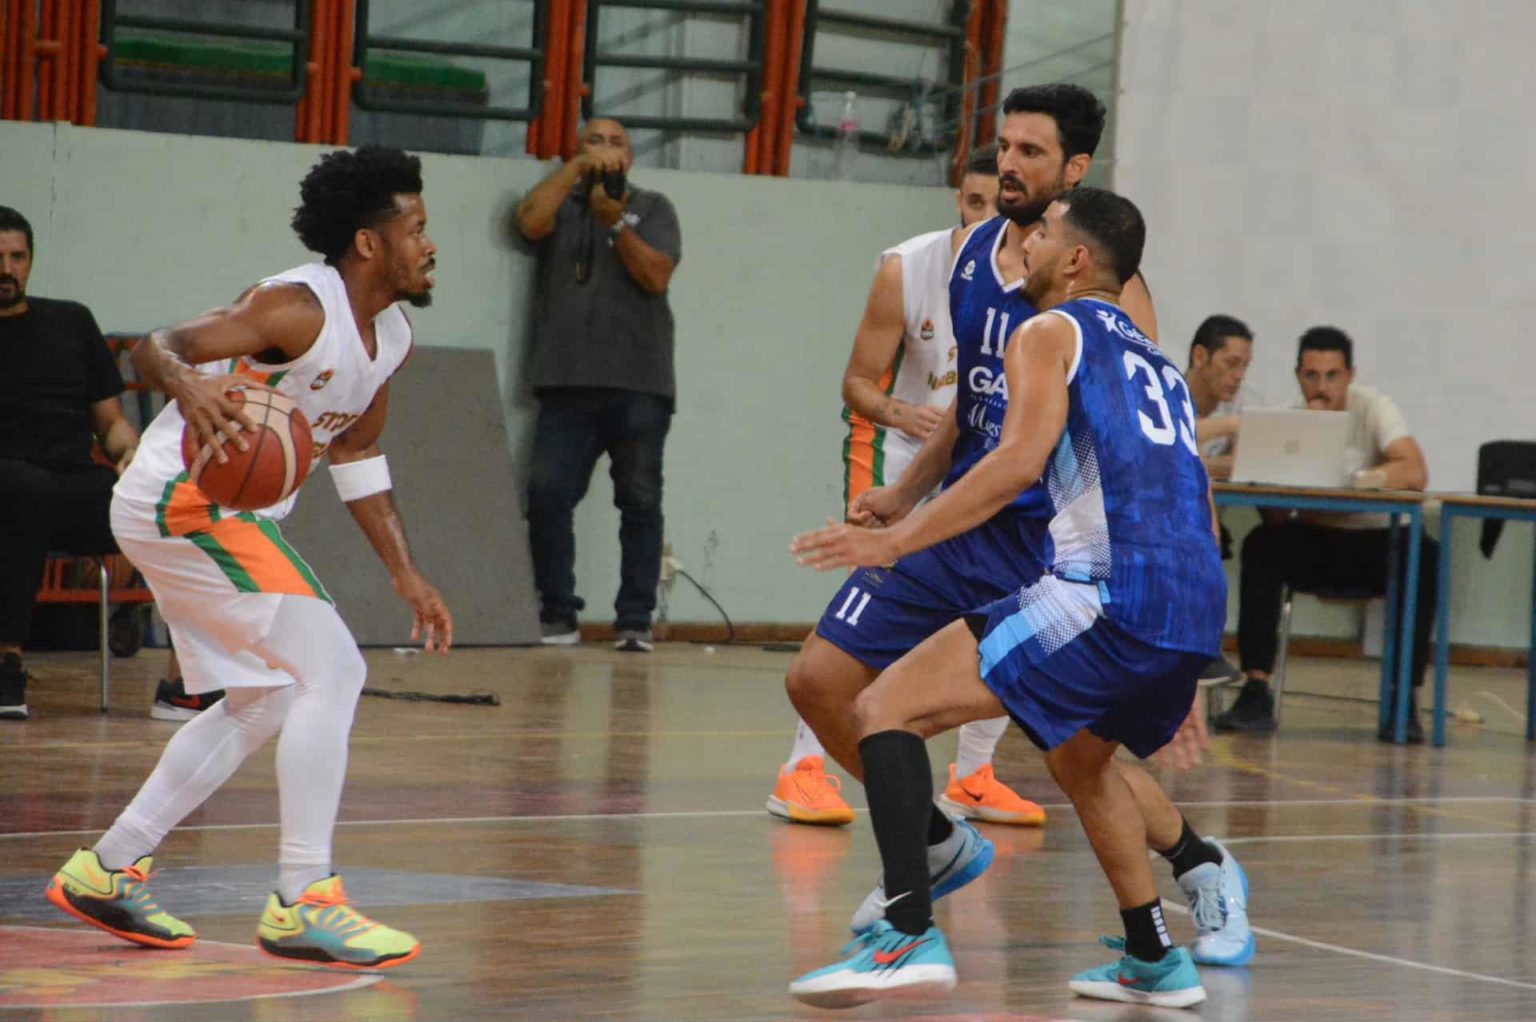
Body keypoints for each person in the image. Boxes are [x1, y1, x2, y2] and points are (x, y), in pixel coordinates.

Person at [783, 83, 1248, 975]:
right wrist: (907, 493)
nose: (1009, 165)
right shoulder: (966, 258)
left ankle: (1193, 863)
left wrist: (1177, 610)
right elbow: (971, 401)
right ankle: (938, 845)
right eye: (1004, 146)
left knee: (1077, 752)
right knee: (820, 682)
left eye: (1032, 152)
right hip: (962, 517)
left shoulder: (1104, 294)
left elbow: (1148, 452)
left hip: (1048, 545)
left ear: (1071, 175)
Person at [44, 146, 453, 969]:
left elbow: (358, 456)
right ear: (370, 244)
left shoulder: (392, 336)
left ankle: (108, 868)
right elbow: (154, 348)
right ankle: (305, 900)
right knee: (333, 671)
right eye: (416, 228)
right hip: (183, 501)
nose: (429, 243)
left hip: (220, 516)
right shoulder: (294, 307)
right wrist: (188, 387)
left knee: (262, 700)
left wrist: (405, 572)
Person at [769, 145, 1044, 830]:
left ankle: (973, 775)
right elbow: (858, 382)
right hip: (905, 460)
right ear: (960, 196)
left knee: (995, 617)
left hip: (990, 466)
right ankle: (807, 764)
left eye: (1000, 201)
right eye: (977, 201)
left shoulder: (1042, 274)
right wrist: (902, 415)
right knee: (854, 627)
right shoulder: (911, 266)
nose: (991, 214)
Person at [0, 207, 206, 721]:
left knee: (177, 504)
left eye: (17, 257)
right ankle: (6, 664)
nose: (7, 267)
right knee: (22, 490)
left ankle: (187, 680)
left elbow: (110, 423)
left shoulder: (71, 321)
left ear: (31, 261)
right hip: (8, 481)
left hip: (70, 481)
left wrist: (131, 456)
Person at [1215, 326, 1436, 741]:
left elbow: (1414, 470)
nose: (1321, 387)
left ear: (1349, 375)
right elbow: (1272, 507)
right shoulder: (1286, 417)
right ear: (1298, 375)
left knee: (1424, 553)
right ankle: (1256, 688)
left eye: (1331, 376)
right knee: (1262, 546)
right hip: (1317, 541)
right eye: (1311, 376)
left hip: (1376, 544)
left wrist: (1362, 479)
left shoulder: (1374, 407)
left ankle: (1404, 698)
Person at [513, 117, 681, 653]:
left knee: (639, 499)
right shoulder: (560, 201)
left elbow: (656, 275)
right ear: (576, 151)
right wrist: (575, 174)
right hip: (564, 381)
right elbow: (529, 223)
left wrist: (614, 224)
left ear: (630, 159)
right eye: (594, 141)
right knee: (546, 494)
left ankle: (634, 619)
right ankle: (557, 612)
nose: (605, 151)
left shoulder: (653, 207)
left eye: (616, 143)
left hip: (640, 381)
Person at [1185, 313, 1257, 685]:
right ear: (1200, 356)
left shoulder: (1245, 406)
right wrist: (1227, 430)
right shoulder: (1165, 391)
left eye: (1245, 366)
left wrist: (1195, 459)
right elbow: (1162, 438)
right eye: (1231, 363)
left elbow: (1250, 460)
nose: (1239, 375)